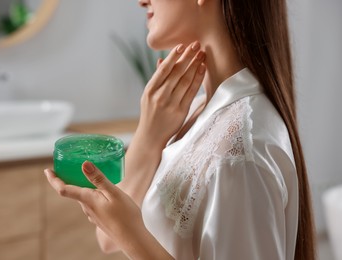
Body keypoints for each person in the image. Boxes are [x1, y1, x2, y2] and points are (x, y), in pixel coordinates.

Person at [44, 0, 317, 259]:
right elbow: (109, 239)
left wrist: (133, 237)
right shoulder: (198, 111)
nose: (141, 1)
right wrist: (149, 136)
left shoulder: (240, 149)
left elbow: (123, 234)